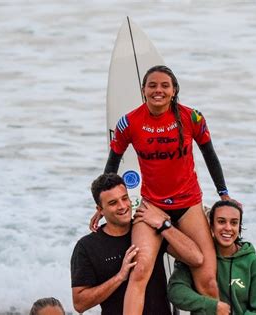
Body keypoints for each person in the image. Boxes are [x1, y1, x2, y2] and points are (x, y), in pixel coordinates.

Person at [91, 65, 234, 314]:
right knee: (140, 271)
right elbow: (112, 166)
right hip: (151, 207)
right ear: (143, 90)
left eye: (165, 85)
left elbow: (210, 155)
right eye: (152, 85)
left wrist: (224, 194)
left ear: (174, 90)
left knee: (208, 280)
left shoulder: (193, 118)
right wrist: (100, 206)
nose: (159, 90)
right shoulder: (128, 123)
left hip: (189, 205)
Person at [71, 173, 203, 314]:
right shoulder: (87, 246)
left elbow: (196, 258)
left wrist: (163, 225)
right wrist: (119, 277)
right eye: (113, 203)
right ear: (100, 210)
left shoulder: (148, 231)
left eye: (124, 198)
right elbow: (80, 304)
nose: (122, 206)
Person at [168, 200, 256, 315]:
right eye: (221, 221)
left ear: (239, 227)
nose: (228, 228)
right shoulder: (197, 256)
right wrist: (211, 306)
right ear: (211, 225)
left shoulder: (252, 262)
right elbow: (176, 291)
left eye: (234, 223)